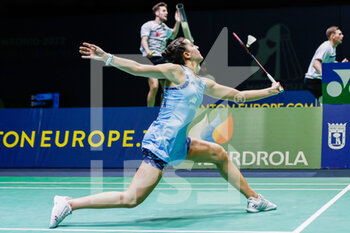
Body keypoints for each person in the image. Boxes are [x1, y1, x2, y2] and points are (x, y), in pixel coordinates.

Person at [49, 37, 281, 228]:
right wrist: (108, 58)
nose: (198, 46)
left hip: (178, 143)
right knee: (131, 199)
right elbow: (140, 68)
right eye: (193, 45)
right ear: (187, 55)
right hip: (162, 142)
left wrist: (270, 91)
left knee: (218, 153)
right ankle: (69, 204)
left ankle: (254, 199)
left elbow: (236, 94)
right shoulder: (175, 71)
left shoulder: (201, 83)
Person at [140, 2, 180, 106]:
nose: (166, 13)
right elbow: (144, 40)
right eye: (164, 11)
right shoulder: (148, 25)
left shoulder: (165, 28)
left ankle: (163, 112)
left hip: (161, 59)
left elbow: (173, 34)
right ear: (157, 13)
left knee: (166, 89)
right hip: (149, 58)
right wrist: (147, 51)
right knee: (154, 86)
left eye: (166, 11)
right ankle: (148, 112)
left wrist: (178, 22)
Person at [304, 26, 348, 104]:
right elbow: (316, 63)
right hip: (313, 80)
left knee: (330, 101)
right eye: (340, 34)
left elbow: (328, 62)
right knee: (328, 102)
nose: (342, 36)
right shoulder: (326, 47)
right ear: (332, 36)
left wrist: (340, 65)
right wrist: (326, 76)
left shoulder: (333, 48)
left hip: (318, 80)